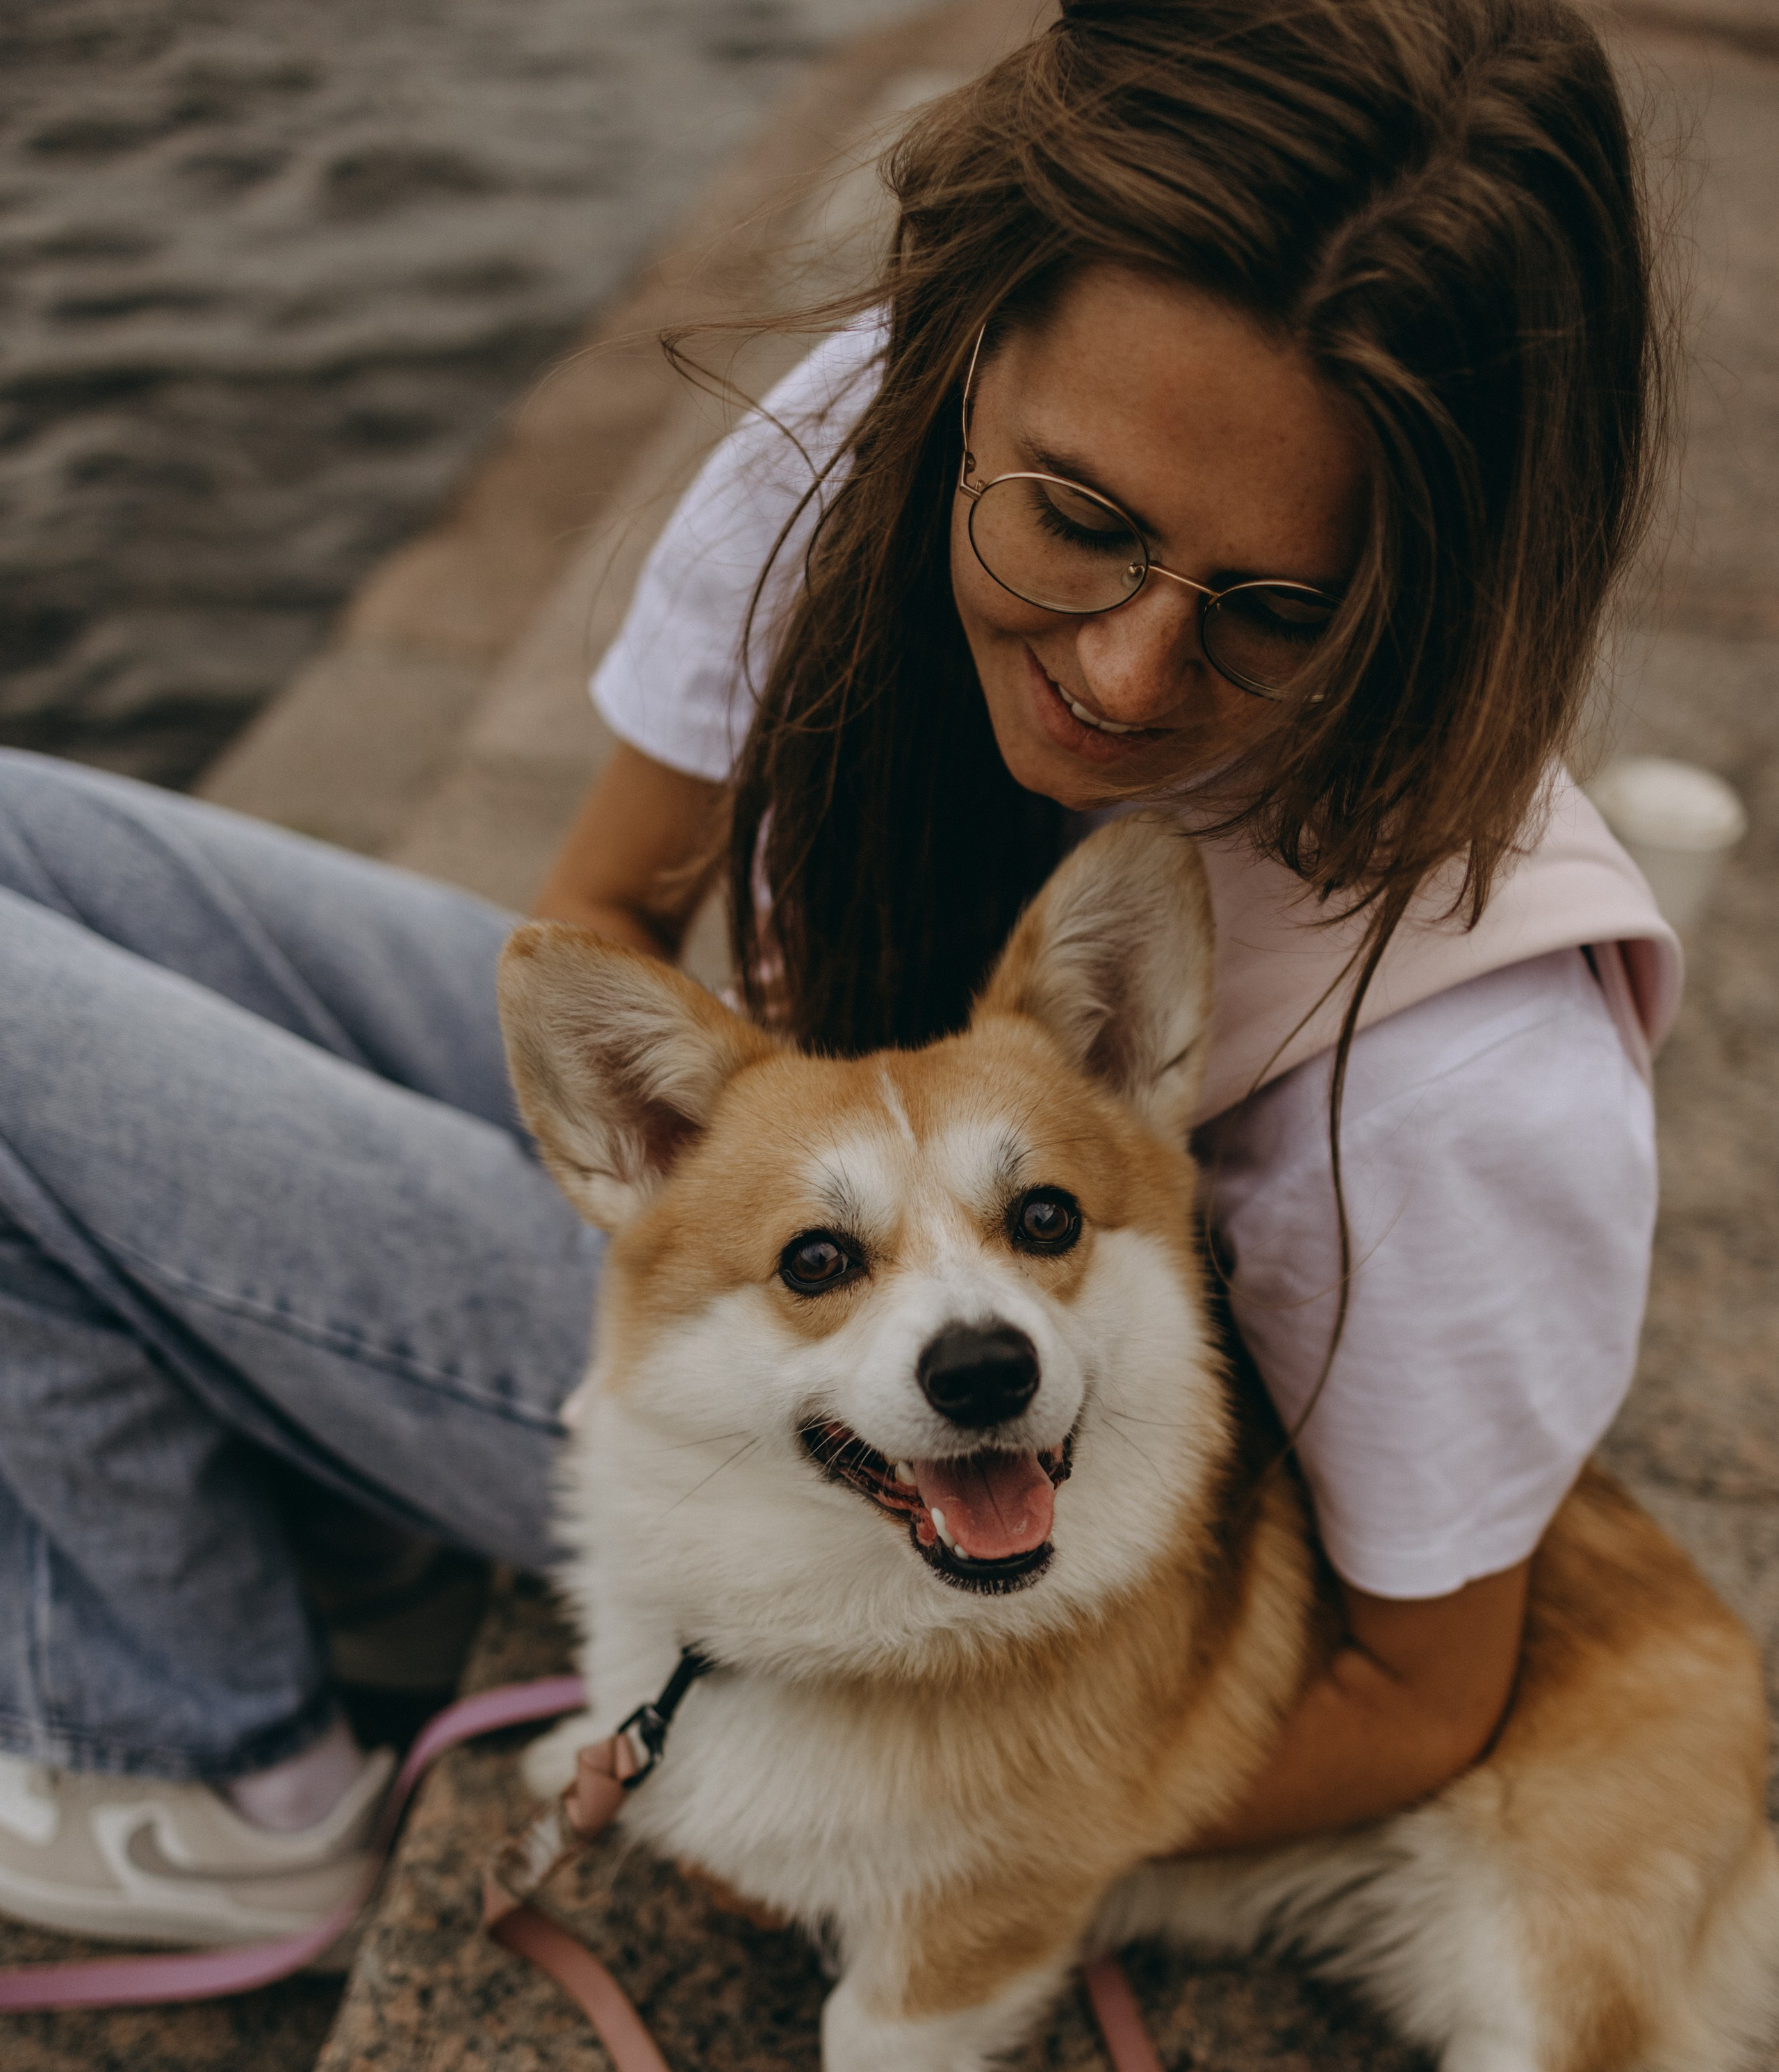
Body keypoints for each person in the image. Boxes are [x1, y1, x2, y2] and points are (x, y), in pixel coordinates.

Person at [0, 0, 1677, 1945]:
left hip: (885, 1484)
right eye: (1078, 520)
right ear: (964, 355)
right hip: (788, 1232)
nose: (1125, 673)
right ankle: (326, 1499)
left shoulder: (1471, 1083)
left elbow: (1419, 1699)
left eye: (1287, 608)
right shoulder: (861, 446)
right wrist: (704, 1188)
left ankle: (208, 1763)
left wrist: (901, 1836)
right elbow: (607, 914)